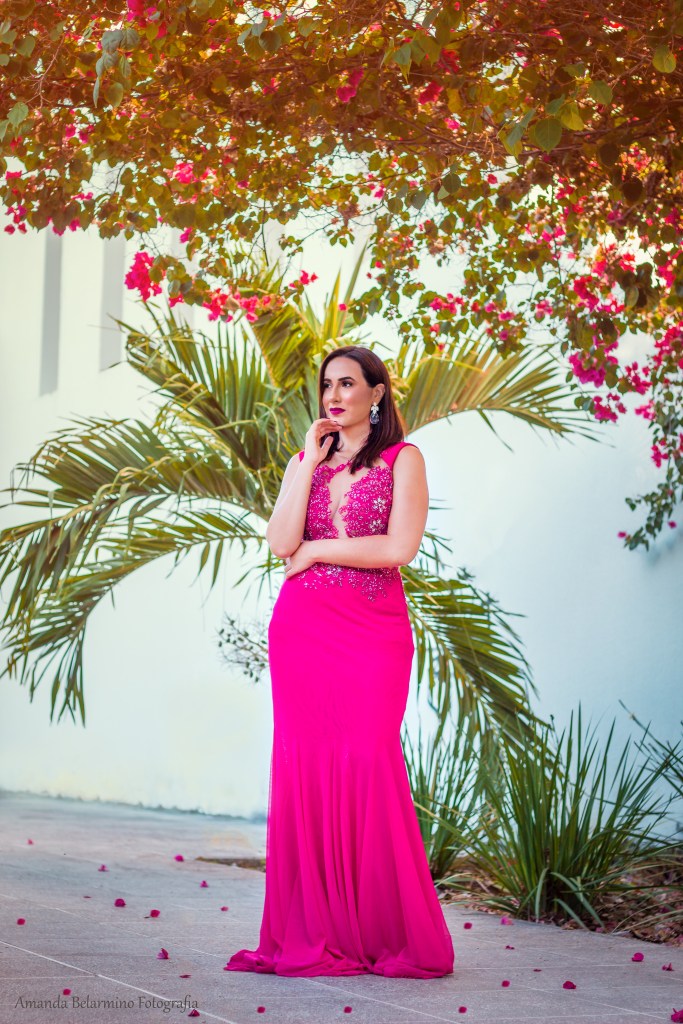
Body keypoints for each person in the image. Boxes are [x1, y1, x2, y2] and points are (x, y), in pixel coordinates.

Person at [225, 345, 455, 978]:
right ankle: (319, 928)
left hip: (373, 633)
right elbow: (280, 541)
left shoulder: (403, 459)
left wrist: (319, 550)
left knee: (368, 759)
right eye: (327, 384)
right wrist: (307, 457)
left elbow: (399, 548)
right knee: (304, 767)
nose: (334, 395)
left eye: (348, 383)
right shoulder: (306, 461)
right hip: (303, 630)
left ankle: (377, 928)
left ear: (376, 393)